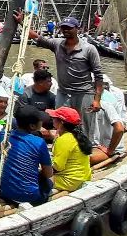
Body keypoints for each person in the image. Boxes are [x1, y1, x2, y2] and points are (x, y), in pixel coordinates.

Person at [17, 12, 104, 144]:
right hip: (63, 93)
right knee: (60, 124)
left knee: (84, 126)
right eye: (63, 28)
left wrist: (97, 100)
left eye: (69, 28)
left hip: (83, 93)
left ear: (77, 28)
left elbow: (98, 75)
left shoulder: (89, 49)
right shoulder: (57, 44)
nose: (66, 30)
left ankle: (85, 152)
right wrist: (22, 22)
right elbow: (37, 37)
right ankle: (61, 149)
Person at [0, 105, 53, 206]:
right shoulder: (39, 142)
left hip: (4, 192)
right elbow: (48, 173)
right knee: (49, 183)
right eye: (40, 121)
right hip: (29, 196)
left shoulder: (4, 135)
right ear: (32, 126)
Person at [47, 106, 92, 192]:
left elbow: (58, 167)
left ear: (61, 122)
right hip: (83, 177)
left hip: (69, 182)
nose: (52, 119)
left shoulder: (64, 139)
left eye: (54, 118)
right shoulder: (79, 135)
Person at [90, 74, 127, 164]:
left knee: (82, 160)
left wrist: (110, 150)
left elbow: (119, 129)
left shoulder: (106, 104)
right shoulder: (85, 102)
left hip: (106, 147)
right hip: (94, 145)